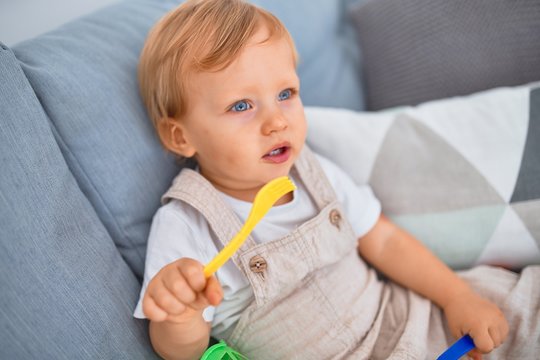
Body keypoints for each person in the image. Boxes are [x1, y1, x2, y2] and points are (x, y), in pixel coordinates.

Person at [133, 0, 540, 359]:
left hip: (409, 319)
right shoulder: (186, 225)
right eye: (241, 105)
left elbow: (383, 240)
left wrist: (457, 297)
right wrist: (180, 315)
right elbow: (177, 352)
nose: (277, 121)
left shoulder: (314, 172)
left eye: (286, 93)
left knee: (519, 311)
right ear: (181, 136)